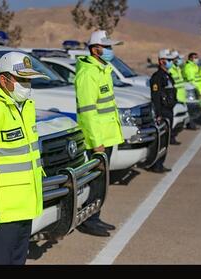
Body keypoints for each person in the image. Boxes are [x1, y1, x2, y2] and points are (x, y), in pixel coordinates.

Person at [0, 52, 46, 264]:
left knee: (17, 260)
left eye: (29, 80)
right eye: (22, 79)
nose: (27, 85)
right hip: (2, 210)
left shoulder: (25, 106)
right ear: (4, 80)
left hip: (25, 204)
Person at [74, 30, 124, 237]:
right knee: (96, 181)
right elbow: (88, 112)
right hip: (98, 141)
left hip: (107, 136)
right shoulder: (88, 74)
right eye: (107, 47)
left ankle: (96, 216)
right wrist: (97, 143)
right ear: (96, 49)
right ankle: (88, 220)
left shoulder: (103, 70)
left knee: (102, 181)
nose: (111, 51)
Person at [148, 49, 177, 173]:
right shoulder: (157, 77)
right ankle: (157, 164)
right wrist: (158, 113)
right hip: (163, 112)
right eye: (168, 60)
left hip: (169, 110)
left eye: (171, 60)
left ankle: (161, 162)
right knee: (161, 140)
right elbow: (156, 97)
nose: (170, 62)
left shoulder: (168, 75)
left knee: (166, 139)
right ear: (161, 61)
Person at [183, 52, 201, 130]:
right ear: (190, 58)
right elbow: (191, 80)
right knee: (192, 108)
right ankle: (190, 124)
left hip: (197, 89)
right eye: (194, 57)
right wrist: (197, 89)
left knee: (195, 108)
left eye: (197, 57)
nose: (196, 59)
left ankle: (191, 123)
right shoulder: (189, 67)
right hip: (193, 90)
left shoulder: (195, 66)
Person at [168, 50, 186, 142]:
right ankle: (171, 137)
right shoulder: (170, 70)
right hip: (175, 98)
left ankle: (173, 136)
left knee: (180, 119)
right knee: (175, 120)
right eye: (177, 58)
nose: (179, 60)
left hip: (181, 97)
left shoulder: (177, 69)